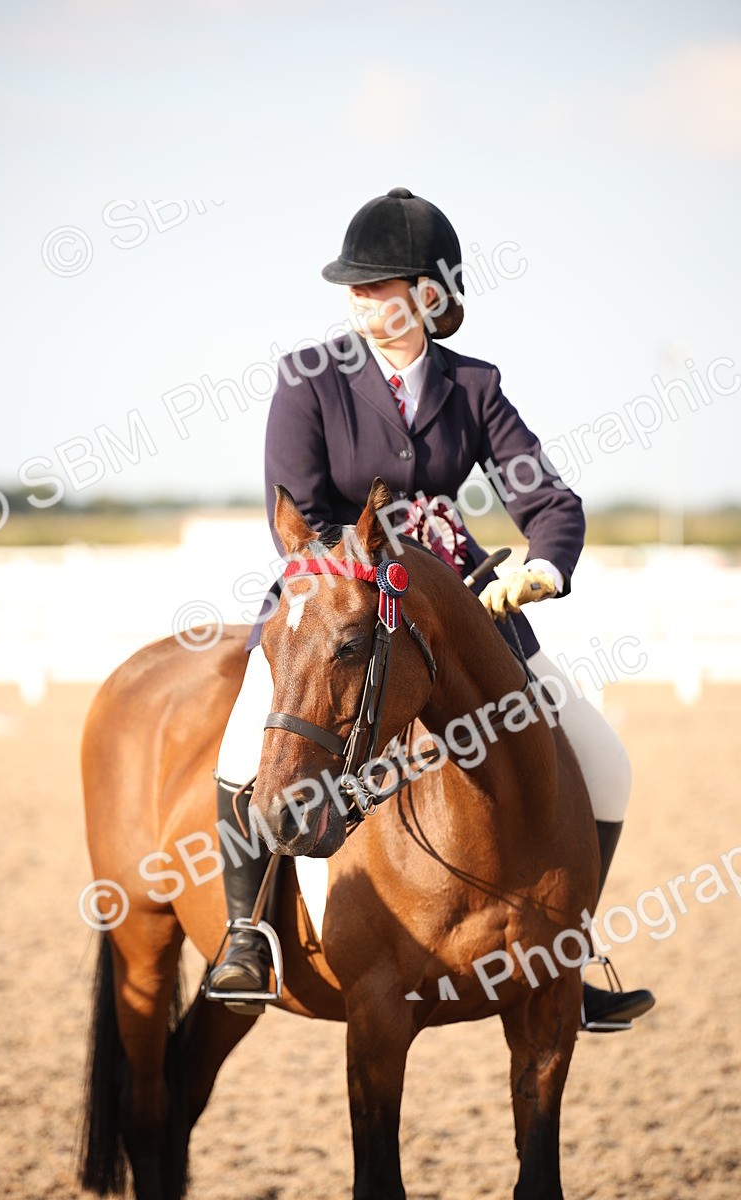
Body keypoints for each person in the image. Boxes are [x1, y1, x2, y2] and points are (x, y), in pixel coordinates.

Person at [208, 186, 655, 1028]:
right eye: (358, 288)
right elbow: (298, 514)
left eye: (382, 286)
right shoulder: (310, 380)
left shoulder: (473, 386)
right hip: (335, 605)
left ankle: (568, 949)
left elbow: (549, 502)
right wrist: (366, 573)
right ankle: (247, 935)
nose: (365, 301)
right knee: (245, 740)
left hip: (454, 608)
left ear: (432, 295)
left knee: (604, 756)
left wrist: (543, 568)